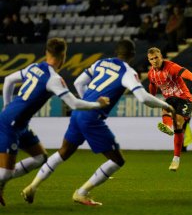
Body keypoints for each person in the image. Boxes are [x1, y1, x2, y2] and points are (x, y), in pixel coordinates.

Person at [22, 40, 175, 206]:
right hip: (92, 118)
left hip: (78, 113)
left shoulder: (101, 63)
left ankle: (32, 187)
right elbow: (143, 98)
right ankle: (81, 193)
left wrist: (88, 103)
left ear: (117, 52)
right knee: (117, 160)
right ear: (132, 55)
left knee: (63, 152)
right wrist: (166, 105)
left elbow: (78, 82)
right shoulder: (127, 72)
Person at [0, 38, 110, 206]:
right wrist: (98, 104)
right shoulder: (53, 79)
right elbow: (73, 103)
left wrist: (6, 106)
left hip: (18, 123)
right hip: (10, 125)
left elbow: (8, 80)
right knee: (6, 174)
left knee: (40, 157)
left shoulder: (34, 67)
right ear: (63, 56)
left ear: (46, 53)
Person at [147, 47, 192, 171]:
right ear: (149, 60)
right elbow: (152, 85)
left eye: (156, 57)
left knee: (178, 124)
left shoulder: (171, 67)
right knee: (165, 106)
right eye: (152, 59)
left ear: (161, 56)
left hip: (184, 99)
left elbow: (187, 74)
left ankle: (176, 158)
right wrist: (152, 98)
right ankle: (167, 126)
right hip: (171, 99)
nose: (155, 61)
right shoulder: (151, 74)